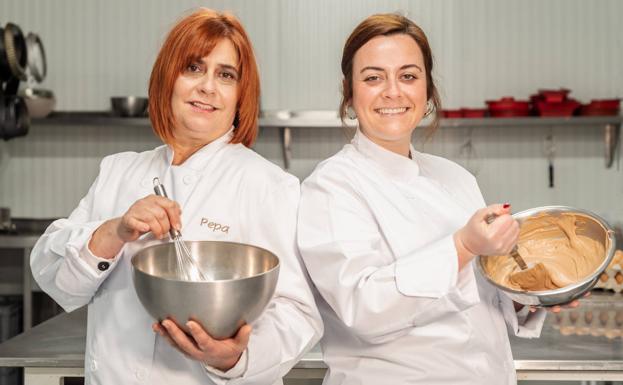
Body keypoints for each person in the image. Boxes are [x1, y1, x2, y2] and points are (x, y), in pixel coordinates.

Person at [30, 8, 322, 385]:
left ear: (240, 95)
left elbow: (300, 313)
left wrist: (235, 359)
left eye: (226, 75)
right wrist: (112, 232)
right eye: (194, 68)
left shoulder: (269, 185)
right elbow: (56, 281)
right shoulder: (118, 171)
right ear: (168, 78)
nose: (208, 87)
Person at [297, 13, 555, 385]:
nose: (393, 91)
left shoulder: (456, 178)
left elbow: (478, 299)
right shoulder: (331, 187)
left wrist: (531, 295)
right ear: (349, 94)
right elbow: (364, 309)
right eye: (373, 78)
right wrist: (464, 245)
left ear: (427, 90)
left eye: (408, 76)